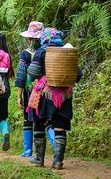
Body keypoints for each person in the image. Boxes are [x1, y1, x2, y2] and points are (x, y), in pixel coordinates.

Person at [26, 28, 82, 169]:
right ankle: (57, 162)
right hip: (65, 96)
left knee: (39, 124)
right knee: (60, 127)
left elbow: (32, 73)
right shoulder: (68, 52)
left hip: (45, 94)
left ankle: (39, 159)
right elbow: (78, 75)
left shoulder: (42, 51)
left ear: (45, 38)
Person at [15, 21, 49, 157]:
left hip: (31, 91)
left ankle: (28, 150)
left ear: (29, 39)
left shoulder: (26, 54)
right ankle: (52, 145)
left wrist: (19, 95)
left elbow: (21, 76)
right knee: (44, 119)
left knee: (28, 119)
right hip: (46, 89)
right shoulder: (48, 51)